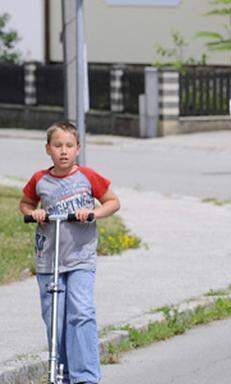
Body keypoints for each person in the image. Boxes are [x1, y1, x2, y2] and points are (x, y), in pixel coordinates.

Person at [19, 121, 121, 384]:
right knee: (55, 318)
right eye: (57, 146)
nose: (63, 151)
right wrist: (34, 213)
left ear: (77, 149)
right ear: (47, 149)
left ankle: (85, 377)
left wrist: (92, 214)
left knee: (81, 312)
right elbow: (26, 204)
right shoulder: (39, 180)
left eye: (69, 145)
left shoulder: (87, 176)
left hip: (80, 259)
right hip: (48, 260)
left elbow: (113, 202)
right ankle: (60, 374)